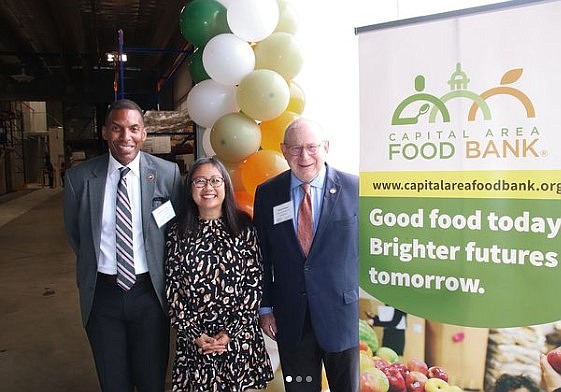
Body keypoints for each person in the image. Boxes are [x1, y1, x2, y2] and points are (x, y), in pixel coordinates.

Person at [63, 99, 184, 391]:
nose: (125, 137)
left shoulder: (167, 174)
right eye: (117, 128)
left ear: (144, 133)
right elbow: (76, 235)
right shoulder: (80, 178)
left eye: (133, 129)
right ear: (105, 132)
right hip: (102, 296)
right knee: (113, 381)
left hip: (150, 295)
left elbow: (177, 230)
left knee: (151, 379)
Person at [253, 118, 360, 392]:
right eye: (296, 148)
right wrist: (265, 308)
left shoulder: (354, 188)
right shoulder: (267, 194)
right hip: (291, 319)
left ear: (326, 147)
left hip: (339, 315)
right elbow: (262, 256)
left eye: (312, 147)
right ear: (283, 149)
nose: (304, 156)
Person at [165, 156, 274, 392]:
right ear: (190, 188)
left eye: (216, 180)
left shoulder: (244, 228)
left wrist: (229, 333)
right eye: (200, 181)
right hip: (196, 343)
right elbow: (172, 288)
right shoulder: (178, 231)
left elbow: (254, 285)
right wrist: (196, 334)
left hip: (238, 339)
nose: (208, 188)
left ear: (226, 185)